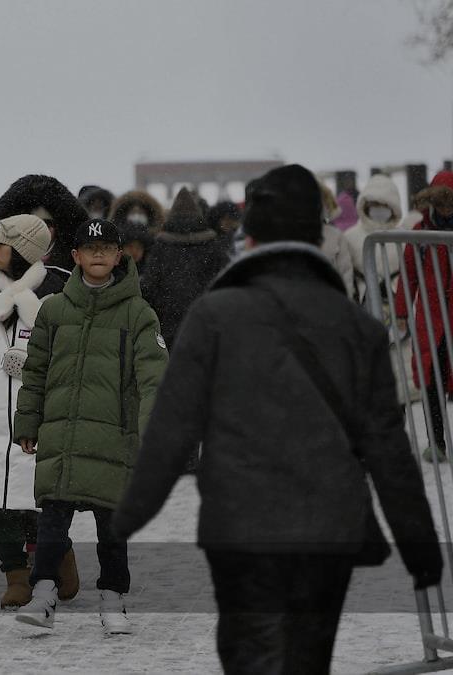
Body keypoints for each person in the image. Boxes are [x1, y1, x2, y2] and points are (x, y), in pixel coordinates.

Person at [113, 165, 443, 674]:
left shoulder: (214, 316)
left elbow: (172, 428)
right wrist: (421, 549)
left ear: (250, 239)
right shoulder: (356, 326)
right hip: (329, 527)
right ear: (316, 237)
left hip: (241, 522)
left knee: (251, 654)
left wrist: (130, 516)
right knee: (307, 658)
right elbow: (387, 447)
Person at [13, 218, 167, 634]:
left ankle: (113, 600)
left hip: (113, 437)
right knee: (52, 518)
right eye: (90, 248)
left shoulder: (139, 314)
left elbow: (155, 378)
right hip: (61, 434)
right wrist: (27, 421)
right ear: (75, 256)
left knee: (112, 525)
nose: (98, 254)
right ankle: (43, 594)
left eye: (107, 248)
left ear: (119, 256)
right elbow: (35, 372)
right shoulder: (53, 311)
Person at [0, 214, 81, 610]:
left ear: (22, 250)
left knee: (42, 504)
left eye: (1, 243)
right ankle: (14, 574)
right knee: (0, 507)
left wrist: (33, 367)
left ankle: (58, 557)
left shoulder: (58, 299)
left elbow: (73, 354)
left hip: (43, 418)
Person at [395, 170, 453, 462]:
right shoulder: (420, 233)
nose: (445, 209)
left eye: (449, 203)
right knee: (433, 380)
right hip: (432, 319)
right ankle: (437, 442)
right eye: (440, 203)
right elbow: (408, 275)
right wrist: (401, 311)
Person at [140, 188, 231, 352]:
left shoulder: (161, 246)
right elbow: (226, 283)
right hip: (207, 326)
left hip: (169, 329)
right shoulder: (212, 245)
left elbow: (149, 288)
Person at [0, 174, 91, 296]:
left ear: (59, 228)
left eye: (47, 224)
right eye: (30, 223)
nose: (39, 230)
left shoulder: (80, 277)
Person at [346, 173, 404, 303]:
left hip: (398, 305)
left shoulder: (404, 239)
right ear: (365, 205)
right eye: (375, 204)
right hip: (360, 304)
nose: (379, 209)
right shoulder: (349, 237)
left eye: (385, 205)